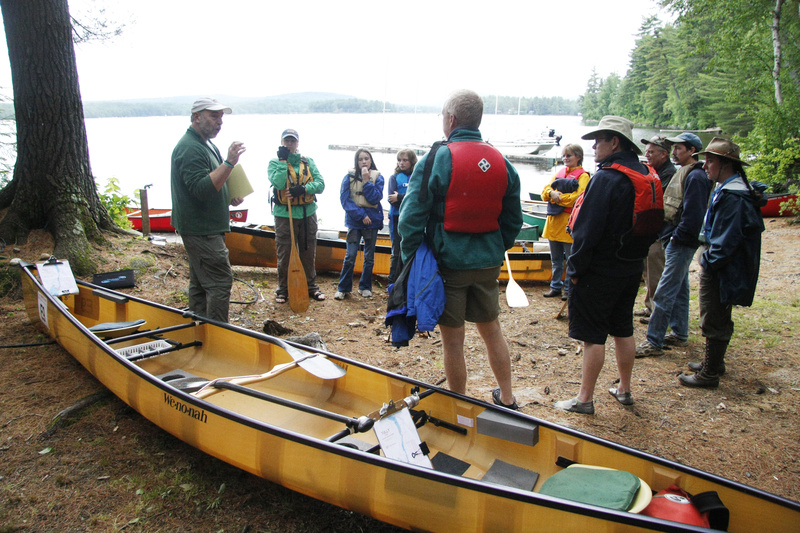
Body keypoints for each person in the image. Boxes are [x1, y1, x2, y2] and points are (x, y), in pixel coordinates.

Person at [399, 89, 523, 409]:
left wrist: (411, 258)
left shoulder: (437, 159)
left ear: (451, 119)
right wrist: (495, 248)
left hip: (449, 263)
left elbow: (411, 216)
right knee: (491, 329)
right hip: (487, 263)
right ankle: (507, 397)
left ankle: (458, 403)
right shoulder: (501, 161)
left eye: (443, 116)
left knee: (453, 339)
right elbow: (513, 219)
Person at [554, 115, 662, 415]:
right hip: (630, 267)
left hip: (599, 271)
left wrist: (574, 271)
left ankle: (584, 399)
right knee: (623, 329)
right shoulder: (643, 172)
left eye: (599, 140)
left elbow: (587, 231)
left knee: (593, 336)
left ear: (614, 142)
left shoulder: (606, 178)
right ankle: (624, 389)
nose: (594, 146)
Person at [679, 138, 766, 388]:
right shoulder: (731, 188)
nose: (705, 166)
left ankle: (709, 374)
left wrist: (708, 261)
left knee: (714, 316)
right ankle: (714, 362)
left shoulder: (733, 196)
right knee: (716, 313)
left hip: (723, 268)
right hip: (725, 266)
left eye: (710, 161)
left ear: (725, 164)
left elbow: (727, 239)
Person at [170, 97, 245, 323]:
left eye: (221, 117)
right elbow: (201, 189)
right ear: (196, 117)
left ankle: (199, 327)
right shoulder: (190, 148)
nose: (219, 122)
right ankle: (218, 334)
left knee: (201, 281)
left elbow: (211, 182)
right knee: (220, 282)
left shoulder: (205, 144)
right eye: (214, 116)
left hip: (206, 226)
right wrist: (229, 162)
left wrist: (229, 195)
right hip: (200, 229)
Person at [636, 132, 711, 357]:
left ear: (692, 151)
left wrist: (678, 237)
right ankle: (679, 333)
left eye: (679, 148)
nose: (675, 152)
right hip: (675, 237)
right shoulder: (686, 172)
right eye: (674, 148)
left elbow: (694, 213)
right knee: (679, 288)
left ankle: (654, 341)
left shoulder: (696, 176)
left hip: (680, 241)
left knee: (665, 291)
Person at [268, 128, 326, 303]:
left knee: (308, 252)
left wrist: (304, 189)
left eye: (292, 141)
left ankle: (311, 286)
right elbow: (278, 182)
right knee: (285, 252)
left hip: (307, 214)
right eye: (286, 141)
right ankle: (283, 289)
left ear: (298, 143)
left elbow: (321, 184)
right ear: (282, 142)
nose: (289, 144)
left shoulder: (308, 162)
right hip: (285, 215)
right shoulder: (274, 162)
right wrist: (282, 161)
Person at [541, 144, 591, 301]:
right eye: (564, 156)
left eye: (569, 155)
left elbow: (578, 198)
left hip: (569, 224)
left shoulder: (584, 176)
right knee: (556, 260)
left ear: (578, 157)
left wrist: (558, 198)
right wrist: (551, 193)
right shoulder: (559, 173)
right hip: (553, 223)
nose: (565, 158)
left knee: (570, 259)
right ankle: (555, 287)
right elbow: (544, 192)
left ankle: (569, 289)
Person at [635, 135, 677, 322]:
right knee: (648, 270)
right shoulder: (654, 171)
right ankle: (649, 305)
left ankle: (656, 311)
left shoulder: (669, 174)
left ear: (664, 154)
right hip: (651, 231)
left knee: (656, 271)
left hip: (661, 232)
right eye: (646, 151)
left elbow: (658, 200)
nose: (647, 155)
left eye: (651, 152)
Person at [335, 148, 384, 299]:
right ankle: (343, 288)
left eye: (366, 159)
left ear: (371, 161)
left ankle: (365, 286)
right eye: (360, 159)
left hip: (372, 223)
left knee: (369, 257)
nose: (364, 162)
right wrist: (361, 215)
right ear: (356, 161)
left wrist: (366, 181)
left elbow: (375, 198)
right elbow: (345, 200)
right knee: (350, 255)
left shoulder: (378, 177)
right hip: (355, 222)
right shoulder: (348, 177)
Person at [387, 149, 418, 284]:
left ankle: (407, 281)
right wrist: (406, 198)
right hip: (396, 217)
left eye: (405, 160)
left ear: (411, 161)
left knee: (411, 250)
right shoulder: (394, 178)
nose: (402, 163)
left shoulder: (417, 177)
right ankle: (392, 282)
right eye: (399, 160)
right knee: (396, 251)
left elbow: (417, 197)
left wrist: (399, 196)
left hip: (411, 218)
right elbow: (391, 199)